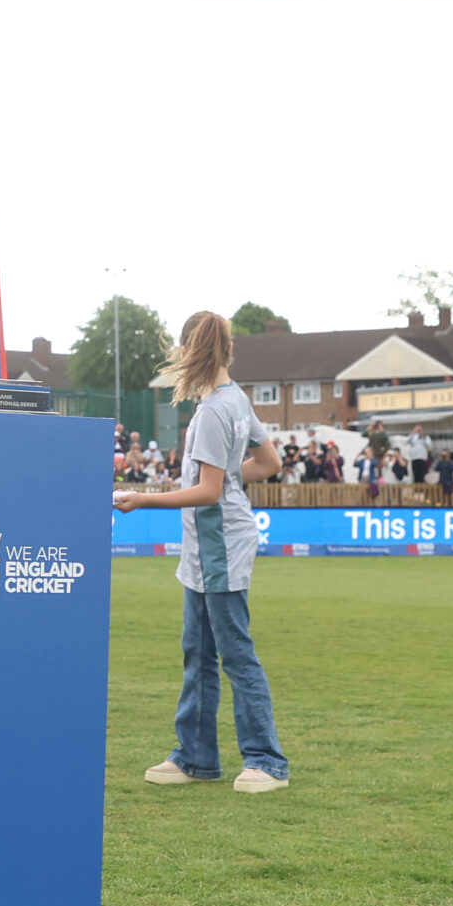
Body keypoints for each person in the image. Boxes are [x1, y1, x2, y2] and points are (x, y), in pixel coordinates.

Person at [113, 311, 289, 793]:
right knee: (200, 652)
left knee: (233, 655)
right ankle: (196, 756)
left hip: (219, 549)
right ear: (228, 349)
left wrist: (146, 498)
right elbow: (269, 463)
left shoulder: (212, 411)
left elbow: (210, 491)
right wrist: (227, 480)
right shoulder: (235, 400)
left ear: (189, 349)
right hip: (208, 549)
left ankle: (266, 760)